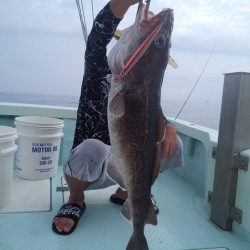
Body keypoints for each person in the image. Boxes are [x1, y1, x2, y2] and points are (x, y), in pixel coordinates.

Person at [52, 0, 183, 235]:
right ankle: (75, 200)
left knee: (174, 143)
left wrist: (169, 126)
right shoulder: (97, 71)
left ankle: (127, 194)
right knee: (93, 148)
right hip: (90, 169)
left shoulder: (142, 88)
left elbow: (152, 112)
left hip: (124, 167)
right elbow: (97, 38)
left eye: (160, 42)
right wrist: (120, 3)